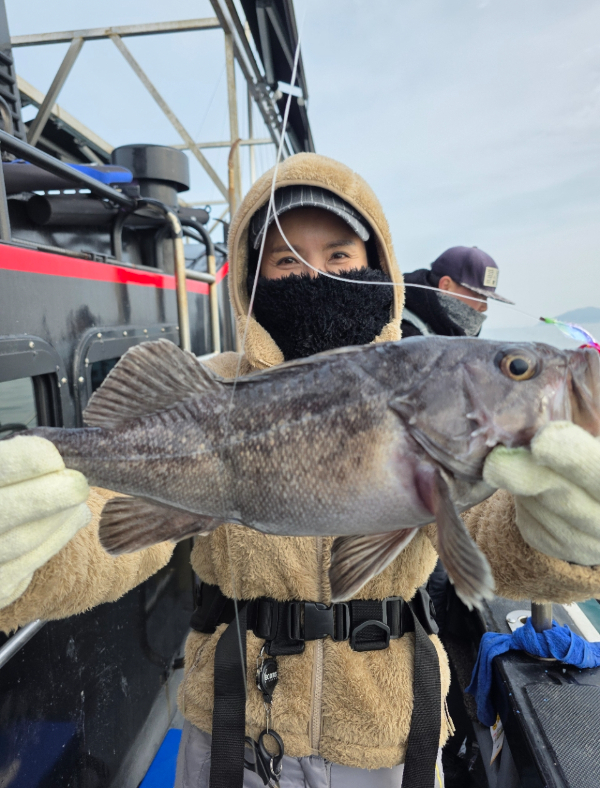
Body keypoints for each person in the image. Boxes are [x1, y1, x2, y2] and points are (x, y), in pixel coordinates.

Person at [2, 154, 600, 788]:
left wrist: (563, 538)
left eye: (340, 254)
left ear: (376, 265)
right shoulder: (213, 382)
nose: (316, 273)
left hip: (387, 735)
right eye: (287, 261)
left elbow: (495, 540)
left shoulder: (451, 425)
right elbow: (102, 517)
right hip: (233, 725)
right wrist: (28, 557)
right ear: (254, 277)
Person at [401, 245, 513, 340]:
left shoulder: (451, 330)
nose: (484, 307)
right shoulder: (400, 331)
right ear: (446, 286)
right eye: (479, 296)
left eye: (487, 298)